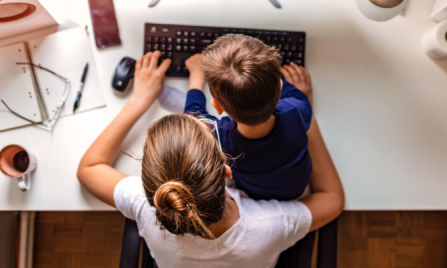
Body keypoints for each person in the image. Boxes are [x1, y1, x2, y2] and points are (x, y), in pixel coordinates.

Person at [77, 51, 344, 268]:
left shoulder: (148, 207)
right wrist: (305, 117)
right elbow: (332, 199)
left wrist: (139, 100)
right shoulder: (269, 225)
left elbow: (89, 168)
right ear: (228, 171)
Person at [184, 34, 313, 201]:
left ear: (217, 106)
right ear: (280, 89)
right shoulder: (297, 108)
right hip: (296, 189)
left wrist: (195, 76)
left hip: (254, 193)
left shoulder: (220, 137)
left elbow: (193, 117)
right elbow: (292, 93)